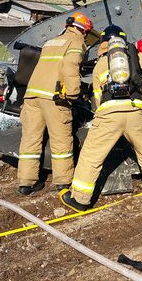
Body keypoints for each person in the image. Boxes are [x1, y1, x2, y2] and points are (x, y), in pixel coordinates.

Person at [60, 24, 142, 212]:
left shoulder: (100, 64)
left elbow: (96, 98)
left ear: (104, 43)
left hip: (109, 114)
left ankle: (79, 199)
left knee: (91, 155)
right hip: (136, 111)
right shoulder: (137, 56)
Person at [16, 12, 92, 195]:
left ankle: (26, 183)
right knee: (61, 140)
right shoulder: (75, 43)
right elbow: (70, 67)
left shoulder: (51, 41)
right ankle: (63, 182)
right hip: (54, 97)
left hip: (32, 95)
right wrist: (74, 94)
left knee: (30, 140)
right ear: (84, 30)